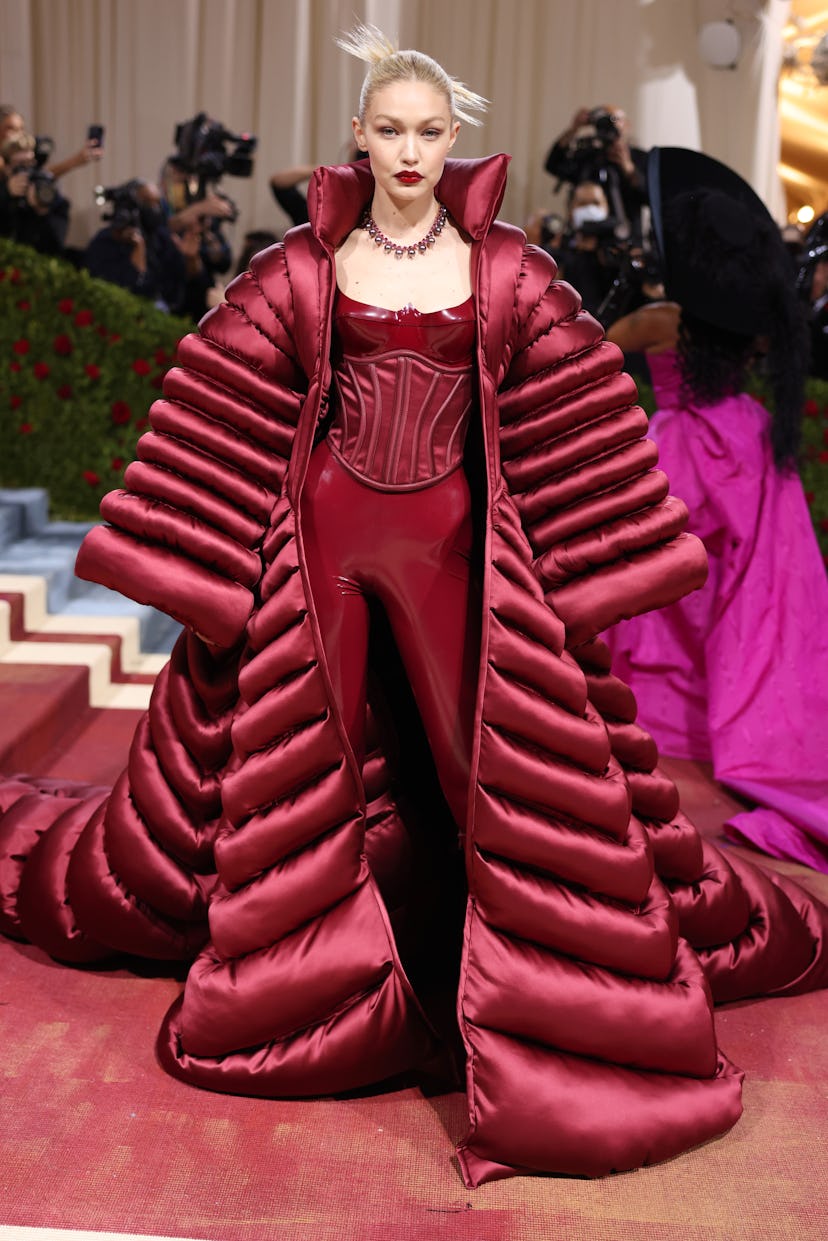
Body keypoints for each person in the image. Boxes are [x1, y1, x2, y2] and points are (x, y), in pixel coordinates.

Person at [2, 29, 827, 1190]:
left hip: (452, 542)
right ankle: (324, 979)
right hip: (326, 537)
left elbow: (573, 400)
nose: (406, 149)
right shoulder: (302, 262)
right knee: (310, 749)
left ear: (453, 140)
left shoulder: (505, 269)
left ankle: (499, 981)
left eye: (428, 131)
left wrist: (582, 575)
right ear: (359, 133)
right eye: (387, 128)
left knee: (479, 754)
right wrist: (206, 560)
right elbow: (224, 381)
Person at [605, 147, 828, 874]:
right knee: (754, 597)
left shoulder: (658, 322)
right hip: (737, 443)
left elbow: (587, 358)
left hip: (674, 450)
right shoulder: (760, 389)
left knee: (656, 567)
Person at [544, 104, 648, 243]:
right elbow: (553, 165)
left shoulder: (639, 157)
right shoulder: (588, 156)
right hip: (587, 240)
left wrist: (628, 167)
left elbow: (647, 195)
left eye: (614, 119)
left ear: (627, 124)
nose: (608, 124)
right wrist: (574, 128)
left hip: (627, 239)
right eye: (603, 120)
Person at [0, 131, 70, 254]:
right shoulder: (3, 192)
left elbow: (57, 245)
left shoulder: (49, 193)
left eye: (30, 163)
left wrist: (42, 211)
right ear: (6, 167)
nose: (27, 170)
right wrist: (6, 194)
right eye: (20, 165)